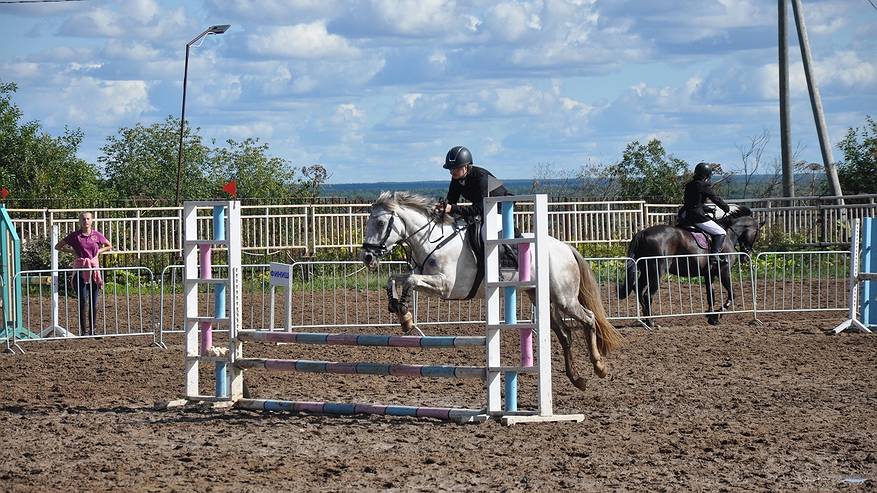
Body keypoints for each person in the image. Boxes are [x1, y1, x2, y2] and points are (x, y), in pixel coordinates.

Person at [54, 212, 112, 336]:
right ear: (80, 221)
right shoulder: (75, 236)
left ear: (92, 221)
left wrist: (98, 252)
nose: (86, 221)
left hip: (94, 270)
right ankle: (83, 330)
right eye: (83, 219)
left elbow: (109, 245)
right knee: (82, 301)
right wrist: (71, 251)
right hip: (80, 269)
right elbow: (58, 246)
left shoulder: (97, 235)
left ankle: (93, 329)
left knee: (94, 302)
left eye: (88, 219)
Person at [679, 162, 731, 264]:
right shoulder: (703, 185)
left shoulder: (689, 185)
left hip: (685, 215)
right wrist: (726, 208)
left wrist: (707, 209)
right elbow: (716, 199)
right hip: (697, 217)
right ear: (706, 175)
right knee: (721, 232)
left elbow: (694, 202)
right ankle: (714, 257)